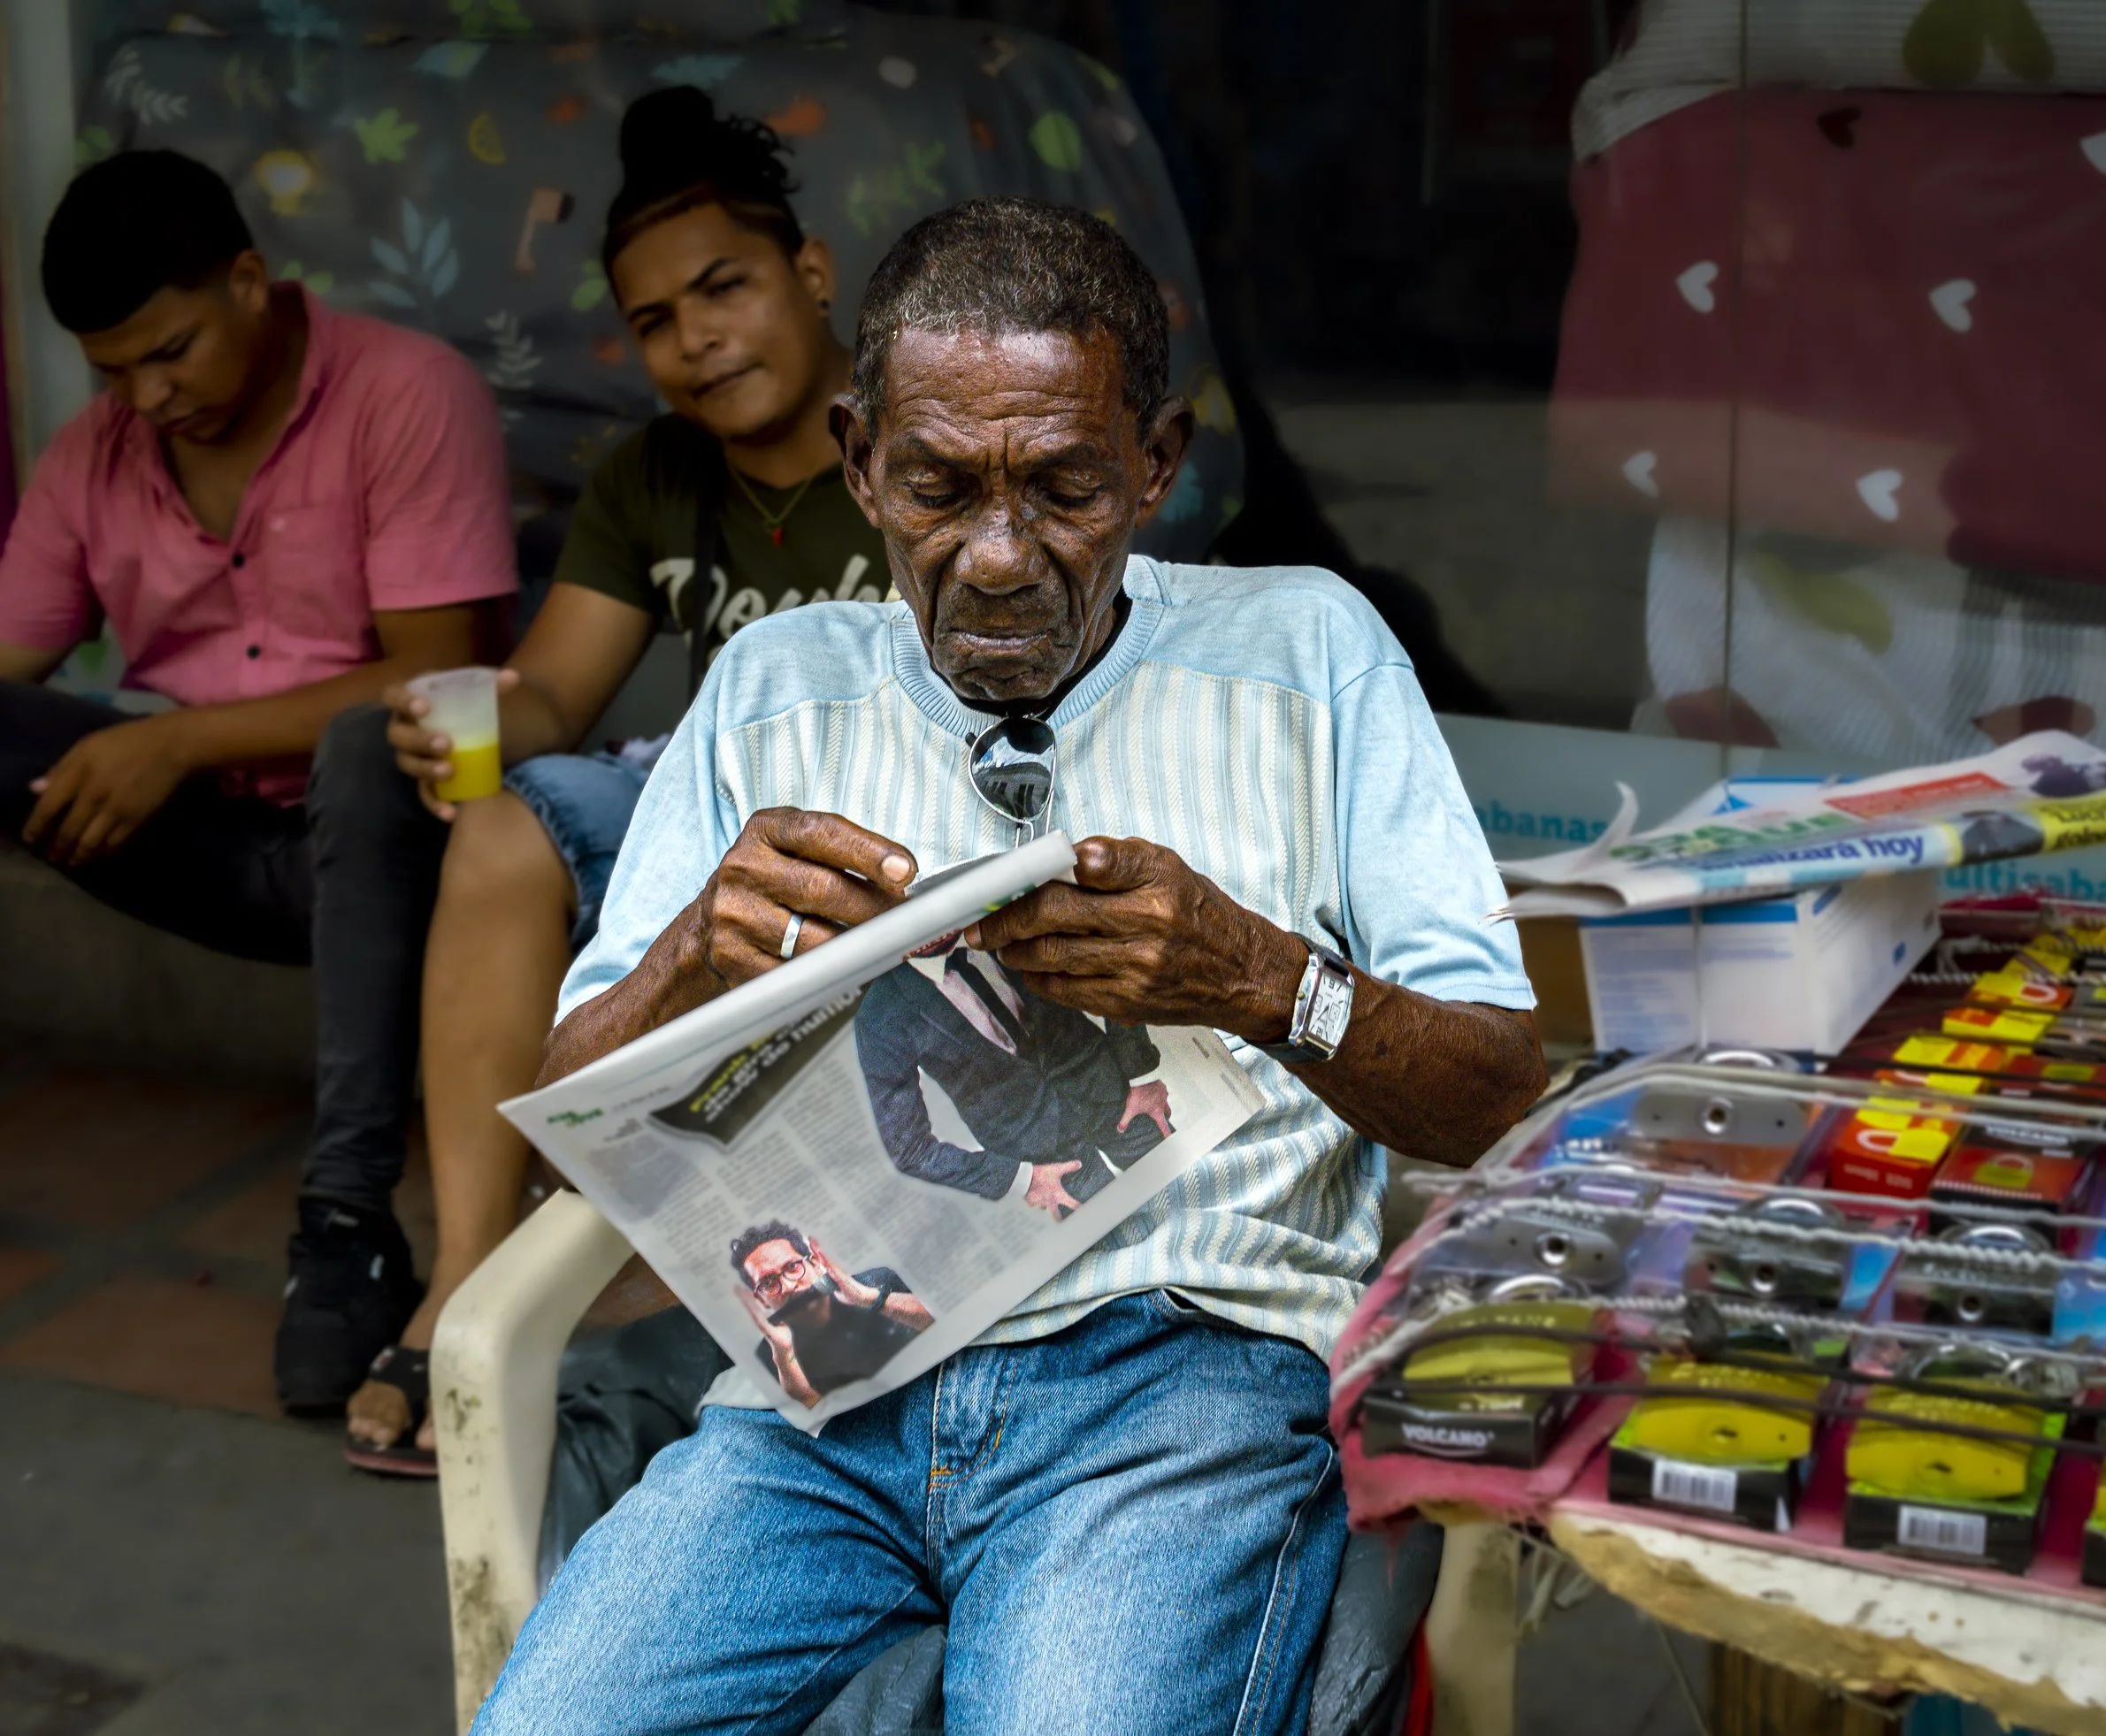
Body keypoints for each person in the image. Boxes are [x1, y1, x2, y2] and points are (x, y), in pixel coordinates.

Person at [472, 196, 1548, 1736]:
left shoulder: (1307, 652)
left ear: (1156, 464)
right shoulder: (774, 689)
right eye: (937, 486)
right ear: (860, 461)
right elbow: (572, 1132)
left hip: (1175, 1386)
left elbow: (1496, 1094)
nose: (994, 556)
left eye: (1063, 487)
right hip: (820, 1402)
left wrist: (1262, 980)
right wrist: (692, 963)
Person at [344, 89, 887, 1474]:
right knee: (503, 823)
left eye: (726, 287)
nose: (695, 335)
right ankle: (470, 1284)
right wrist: (463, 715)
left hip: (884, 842)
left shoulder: (915, 439)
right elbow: (553, 696)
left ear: (811, 272)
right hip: (698, 823)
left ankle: (677, 1298)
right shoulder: (656, 475)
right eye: (654, 319)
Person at [0, 150, 516, 1413]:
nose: (147, 395)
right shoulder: (96, 452)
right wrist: (148, 756)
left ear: (246, 281)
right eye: (113, 370)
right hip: (202, 846)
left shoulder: (407, 394)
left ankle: (348, 1223)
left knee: (367, 747)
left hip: (400, 845)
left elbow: (438, 672)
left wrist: (175, 742)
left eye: (170, 352)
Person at [855, 933, 1172, 1218]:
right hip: (1044, 1158)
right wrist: (1020, 1179)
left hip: (1116, 1098)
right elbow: (910, 1150)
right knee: (1125, 1246)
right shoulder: (878, 1015)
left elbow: (1111, 957)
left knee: (1187, 1187)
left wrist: (1141, 1072)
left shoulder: (1003, 917)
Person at [731, 1223, 934, 1407]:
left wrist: (871, 1298)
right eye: (768, 1283)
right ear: (761, 1299)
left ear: (815, 1264)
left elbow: (936, 1323)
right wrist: (784, 1356)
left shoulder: (876, 1282)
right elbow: (811, 1408)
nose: (788, 1286)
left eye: (792, 1267)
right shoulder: (770, 1352)